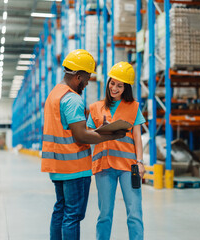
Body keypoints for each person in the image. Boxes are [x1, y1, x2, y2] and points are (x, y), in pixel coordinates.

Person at [41, 49, 126, 240]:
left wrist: (98, 130)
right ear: (78, 76)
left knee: (60, 211)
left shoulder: (54, 94)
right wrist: (109, 135)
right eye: (87, 78)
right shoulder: (72, 99)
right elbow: (81, 136)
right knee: (73, 215)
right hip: (74, 168)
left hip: (57, 166)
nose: (87, 83)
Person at [87, 62, 146, 240]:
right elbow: (88, 134)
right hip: (104, 166)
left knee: (134, 213)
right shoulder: (96, 107)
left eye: (120, 86)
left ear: (125, 88)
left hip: (129, 167)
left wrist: (140, 162)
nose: (114, 88)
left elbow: (137, 137)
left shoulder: (133, 107)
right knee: (104, 214)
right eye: (112, 83)